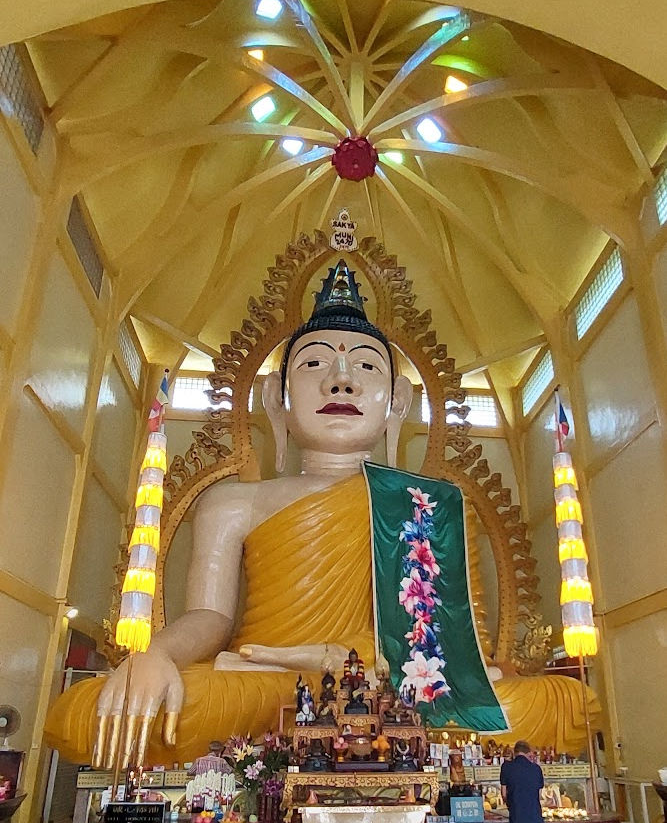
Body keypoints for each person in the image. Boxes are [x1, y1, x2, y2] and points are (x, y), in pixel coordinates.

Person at [44, 260, 601, 768]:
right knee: (88, 711)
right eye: (313, 364)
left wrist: (457, 673)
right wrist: (157, 656)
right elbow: (210, 619)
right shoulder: (235, 501)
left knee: (562, 703)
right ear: (275, 399)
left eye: (364, 366)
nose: (341, 380)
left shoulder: (430, 502)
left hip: (393, 688)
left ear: (397, 403)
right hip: (268, 682)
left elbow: (455, 646)